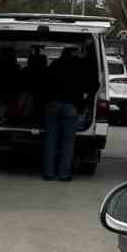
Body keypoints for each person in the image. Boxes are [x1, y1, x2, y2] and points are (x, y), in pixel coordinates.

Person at [40, 46, 98, 181]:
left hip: (52, 105)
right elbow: (94, 85)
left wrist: (45, 102)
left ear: (63, 54)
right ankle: (64, 174)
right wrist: (83, 104)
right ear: (75, 54)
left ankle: (48, 173)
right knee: (68, 142)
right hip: (71, 107)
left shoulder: (55, 65)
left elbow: (44, 83)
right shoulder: (80, 68)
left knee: (50, 140)